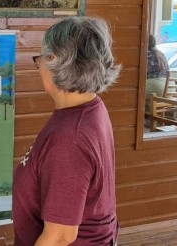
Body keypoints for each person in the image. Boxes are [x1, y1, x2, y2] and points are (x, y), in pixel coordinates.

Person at [13, 16, 120, 245]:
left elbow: (60, 237)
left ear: (54, 59)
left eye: (40, 58)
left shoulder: (70, 139)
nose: (39, 65)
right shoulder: (90, 108)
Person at [146, 34, 169, 102]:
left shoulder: (146, 54)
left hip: (158, 87)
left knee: (134, 90)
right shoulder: (161, 54)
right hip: (168, 87)